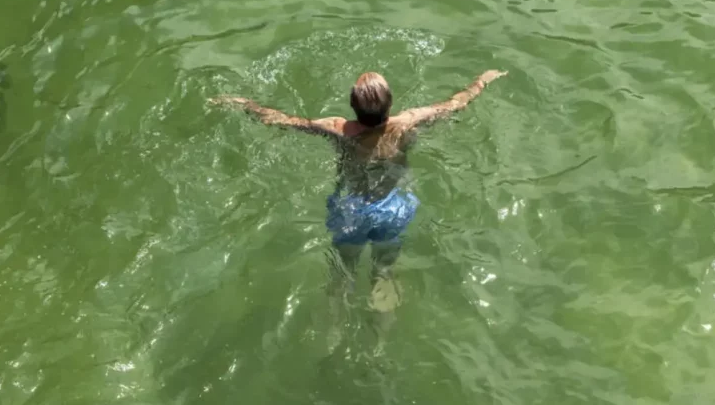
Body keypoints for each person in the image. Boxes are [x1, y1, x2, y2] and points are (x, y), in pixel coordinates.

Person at [210, 69, 507, 350]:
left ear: (353, 106)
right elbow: (456, 104)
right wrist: (482, 81)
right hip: (392, 209)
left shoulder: (339, 129)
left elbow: (281, 120)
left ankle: (333, 332)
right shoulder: (408, 122)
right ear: (389, 105)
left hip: (352, 211)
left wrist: (242, 103)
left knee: (341, 274)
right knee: (384, 271)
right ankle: (379, 338)